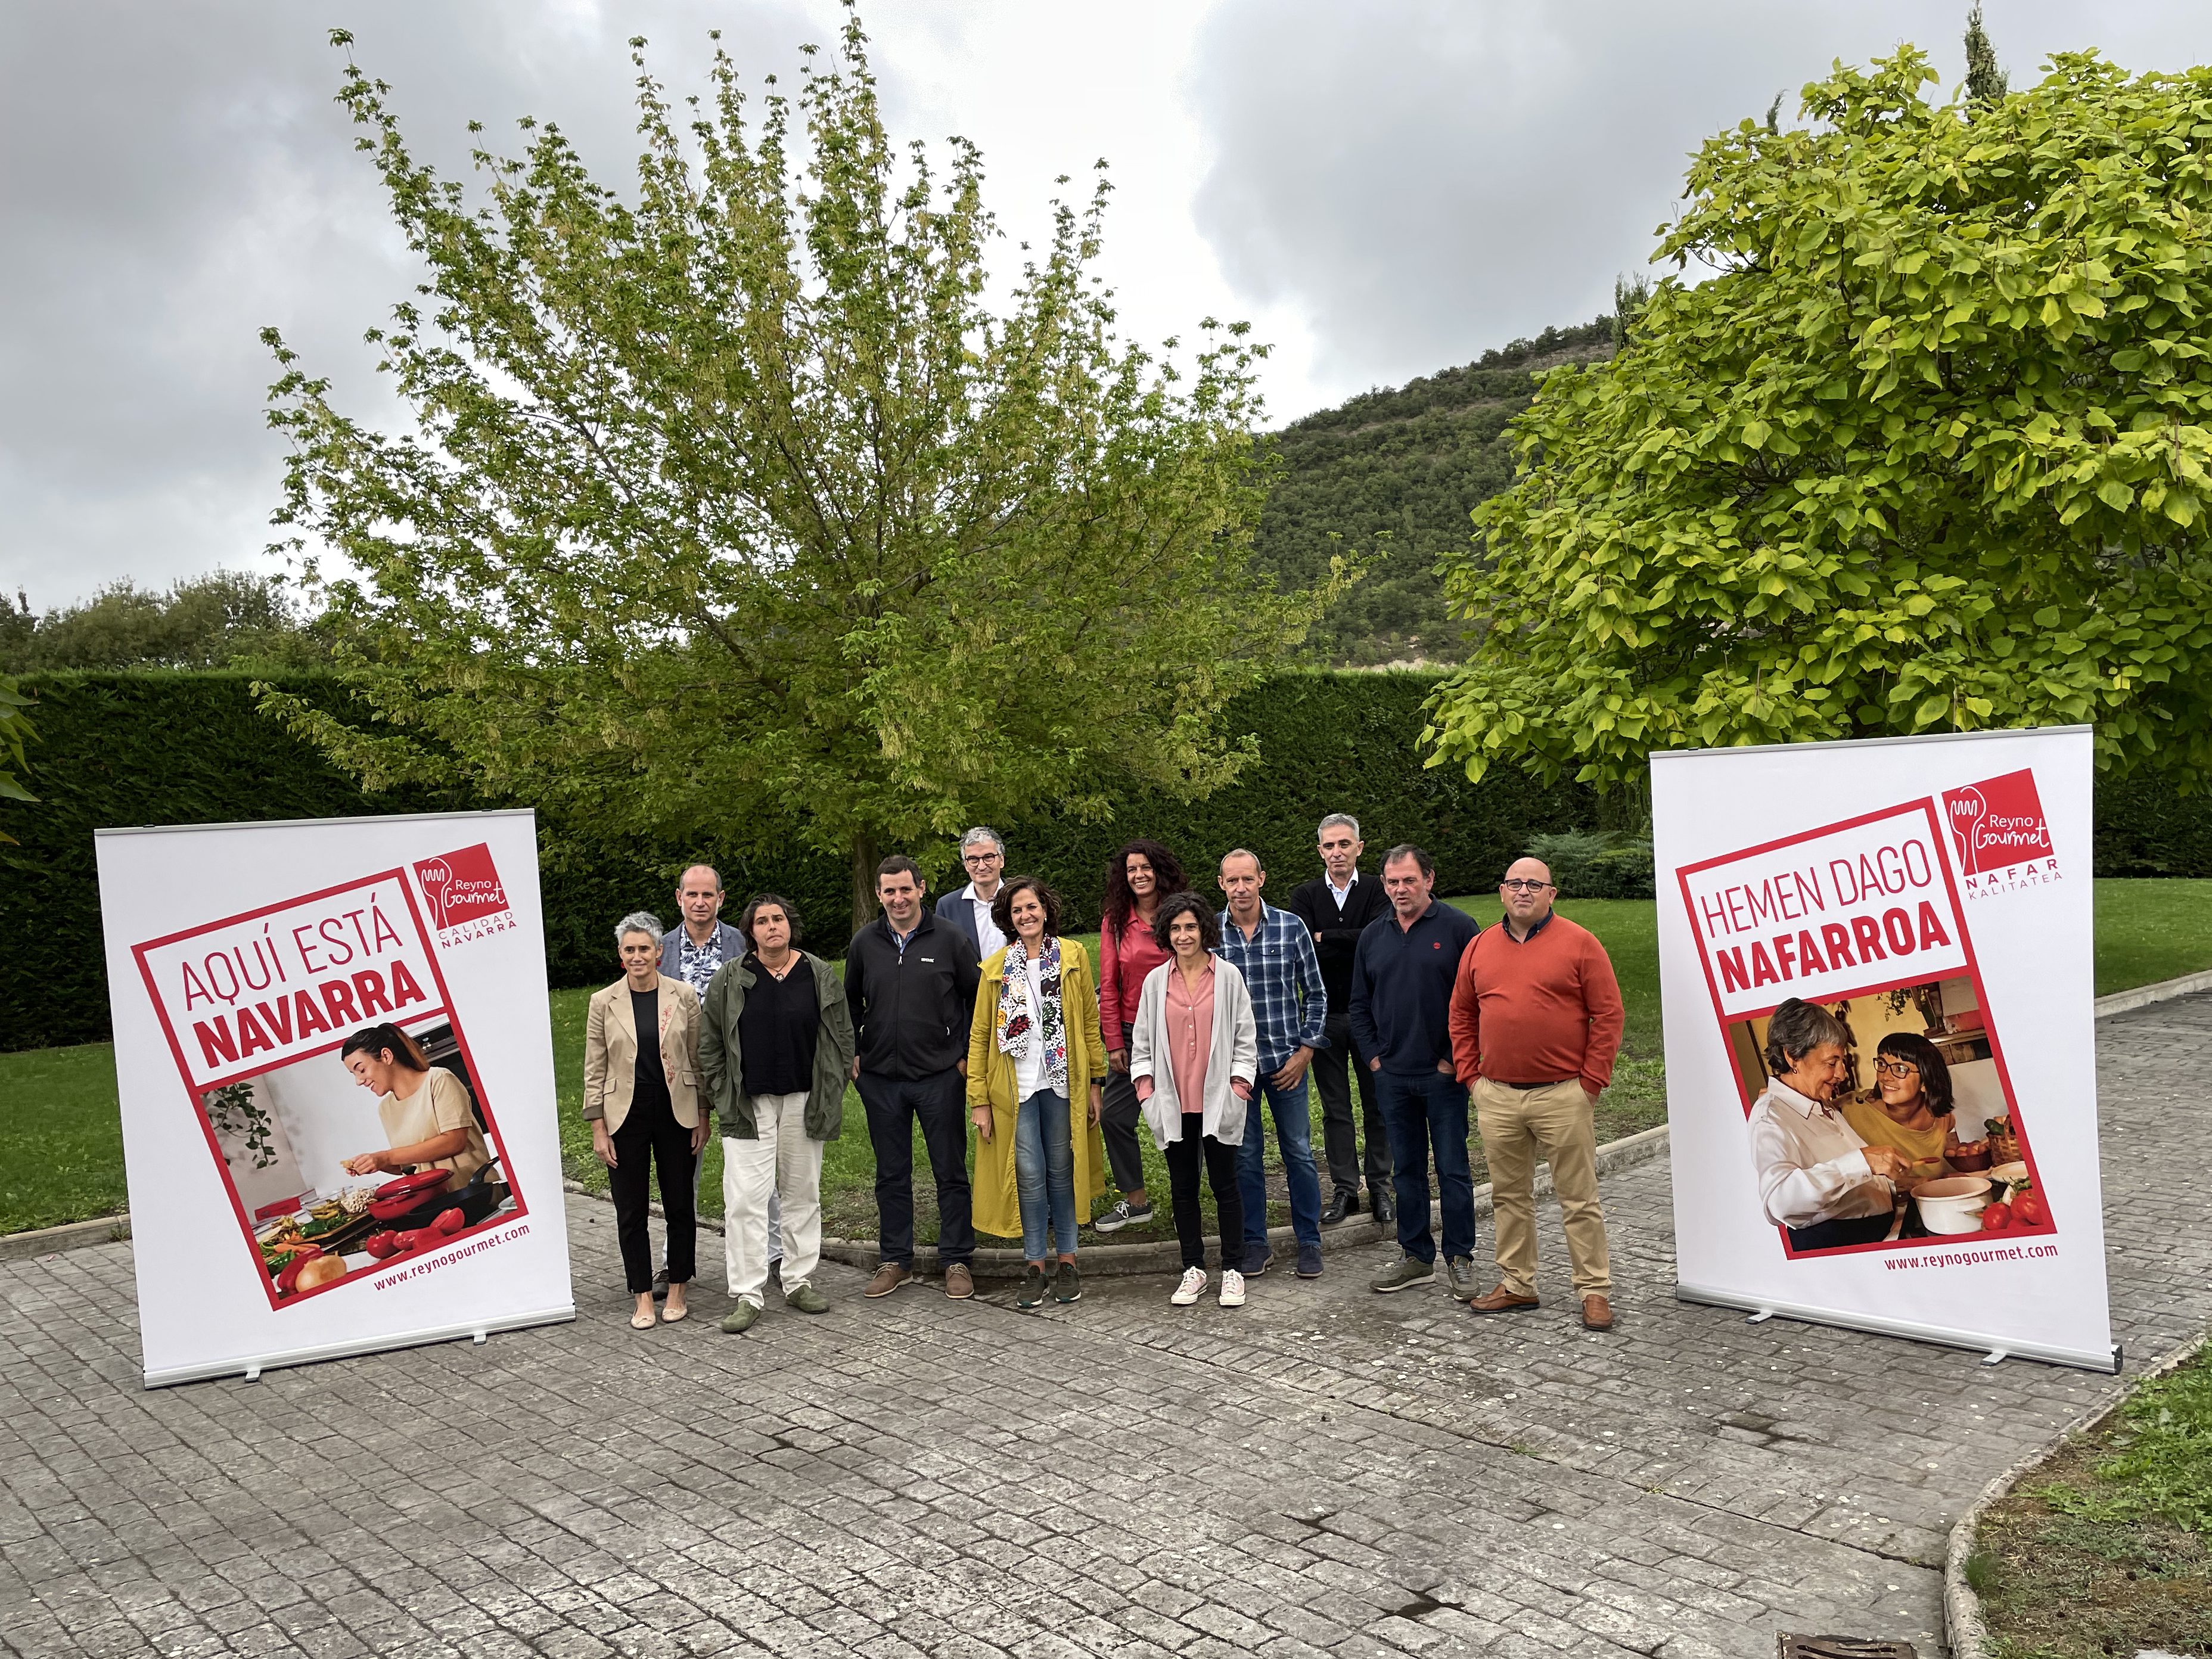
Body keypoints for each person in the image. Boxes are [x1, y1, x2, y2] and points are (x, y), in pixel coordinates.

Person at [1447, 856, 1627, 1332]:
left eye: (1534, 884)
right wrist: (1472, 1078)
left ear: (1552, 894)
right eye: (1514, 883)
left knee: (1579, 1197)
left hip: (1563, 1094)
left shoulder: (1580, 944)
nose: (1523, 891)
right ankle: (1517, 1284)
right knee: (1510, 1196)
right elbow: (1461, 1015)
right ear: (1502, 892)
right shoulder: (1480, 947)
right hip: (1499, 1095)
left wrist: (1591, 1083)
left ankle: (1594, 1290)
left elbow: (1608, 1015)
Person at [698, 893, 855, 1333]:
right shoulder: (731, 978)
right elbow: (709, 1043)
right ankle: (748, 1293)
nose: (772, 927)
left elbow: (842, 1036)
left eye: (778, 919)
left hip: (805, 1100)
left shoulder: (818, 974)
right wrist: (721, 1092)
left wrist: (833, 1083)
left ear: (790, 925)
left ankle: (797, 1280)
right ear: (751, 931)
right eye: (762, 921)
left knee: (801, 1194)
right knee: (745, 1200)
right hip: (749, 1105)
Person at [965, 876, 1108, 1309]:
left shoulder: (1073, 956)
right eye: (1016, 911)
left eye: (1032, 907)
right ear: (1008, 920)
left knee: (1062, 1172)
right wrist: (980, 1100)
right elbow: (979, 1036)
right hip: (1015, 1090)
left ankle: (1067, 1261)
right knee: (1027, 1176)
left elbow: (1087, 1022)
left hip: (1063, 1084)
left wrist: (1096, 1083)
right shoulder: (994, 969)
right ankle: (1034, 1266)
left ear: (1046, 909)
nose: (1026, 916)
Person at [1349, 844, 1483, 1298]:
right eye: (1392, 882)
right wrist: (1374, 1059)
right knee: (1405, 1170)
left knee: (1452, 1168)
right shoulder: (1373, 935)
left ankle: (1460, 1257)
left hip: (1442, 1075)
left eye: (1409, 880)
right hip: (1392, 1075)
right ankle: (1416, 1256)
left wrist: (1451, 1059)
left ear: (1429, 878)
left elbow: (1476, 1000)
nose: (1400, 889)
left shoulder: (1460, 928)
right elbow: (1359, 1005)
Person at [847, 855, 983, 1299]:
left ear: (921, 889)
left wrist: (963, 1054)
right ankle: (895, 1260)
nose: (898, 898)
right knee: (891, 1173)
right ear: (879, 894)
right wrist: (853, 1050)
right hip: (882, 1078)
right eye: (889, 890)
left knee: (950, 1170)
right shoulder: (865, 942)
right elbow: (849, 1003)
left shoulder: (950, 938)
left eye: (906, 889)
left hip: (939, 1075)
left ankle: (957, 1259)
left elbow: (977, 999)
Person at [1129, 894, 1257, 1309]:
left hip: (1218, 1098)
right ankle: (1193, 1269)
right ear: (1166, 934)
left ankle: (1233, 1270)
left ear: (1205, 929)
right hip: (1173, 1101)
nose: (1184, 935)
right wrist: (1147, 1093)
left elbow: (1244, 1039)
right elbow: (1142, 1044)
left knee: (1225, 1186)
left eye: (1191, 927)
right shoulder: (1155, 983)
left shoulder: (1229, 978)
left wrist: (1238, 1087)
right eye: (1176, 928)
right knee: (1184, 1189)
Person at [656, 863, 778, 1299]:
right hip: (681, 1073)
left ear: (721, 899)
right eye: (692, 895)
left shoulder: (744, 943)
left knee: (760, 1165)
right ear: (679, 898)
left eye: (708, 895)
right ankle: (674, 1262)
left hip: (740, 1069)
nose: (700, 902)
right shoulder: (661, 949)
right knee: (680, 1169)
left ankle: (775, 1256)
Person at [581, 912, 707, 1329]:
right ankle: (641, 1296)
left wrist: (703, 1114)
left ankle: (677, 1288)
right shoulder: (603, 1002)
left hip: (677, 1109)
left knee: (679, 1205)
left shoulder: (683, 995)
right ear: (621, 955)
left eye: (645, 949)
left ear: (659, 952)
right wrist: (599, 1127)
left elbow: (697, 1058)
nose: (638, 956)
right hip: (624, 1114)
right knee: (630, 1209)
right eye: (630, 949)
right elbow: (593, 1068)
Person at [1216, 849, 1328, 1280]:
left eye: (1248, 879)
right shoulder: (1212, 936)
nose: (1241, 888)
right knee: (1245, 1158)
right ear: (1222, 884)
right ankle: (1256, 1243)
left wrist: (1306, 1052)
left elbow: (1316, 995)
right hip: (1236, 1070)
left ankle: (1309, 1241)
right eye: (1232, 881)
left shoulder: (1290, 927)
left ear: (1262, 878)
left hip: (1287, 1064)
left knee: (1298, 1152)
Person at [1289, 813, 1395, 1227]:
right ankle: (1345, 1190)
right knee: (1336, 1110)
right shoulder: (1305, 895)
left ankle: (1381, 1188)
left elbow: (1378, 938)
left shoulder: (1376, 889)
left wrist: (1326, 938)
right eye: (1330, 846)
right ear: (1320, 851)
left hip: (1372, 1016)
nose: (1337, 852)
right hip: (1324, 1017)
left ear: (1359, 848)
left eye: (1344, 844)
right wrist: (1351, 938)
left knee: (1377, 1105)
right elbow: (1308, 949)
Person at [1747, 998, 1916, 1251]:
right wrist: (1864, 1161)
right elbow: (1781, 1201)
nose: (1842, 1074)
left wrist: (1892, 1189)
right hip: (1840, 1250)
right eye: (1831, 1062)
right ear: (1793, 1056)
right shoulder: (1771, 1117)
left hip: (1881, 1235)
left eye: (1842, 1062)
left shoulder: (1820, 1103)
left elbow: (1840, 1189)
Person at [1094, 839, 1192, 1232]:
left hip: (1180, 1030)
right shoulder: (1116, 921)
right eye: (1132, 869)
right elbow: (1108, 983)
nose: (1139, 875)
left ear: (1160, 870)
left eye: (1146, 867)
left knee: (1186, 1117)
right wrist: (1114, 1041)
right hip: (1134, 1034)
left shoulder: (1182, 913)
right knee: (1116, 1117)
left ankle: (1189, 1197)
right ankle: (1136, 1201)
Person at [340, 1023, 496, 1194]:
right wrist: (378, 1164)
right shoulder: (386, 1109)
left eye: (361, 1070)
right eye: (354, 1075)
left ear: (386, 1056)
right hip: (436, 1203)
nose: (359, 1081)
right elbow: (413, 1167)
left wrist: (386, 1156)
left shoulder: (438, 1080)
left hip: (475, 1194)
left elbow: (454, 1141)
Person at [1840, 1030, 1961, 1189]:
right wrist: (1904, 1185)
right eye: (1882, 1064)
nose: (1886, 1077)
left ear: (1925, 1082)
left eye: (1901, 1069)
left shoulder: (1944, 1119)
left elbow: (1941, 1164)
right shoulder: (1849, 1110)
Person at [935, 827, 1010, 962]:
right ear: (966, 865)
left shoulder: (1019, 898)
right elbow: (943, 957)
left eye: (988, 857)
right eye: (973, 859)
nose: (981, 866)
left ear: (1002, 861)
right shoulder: (948, 907)